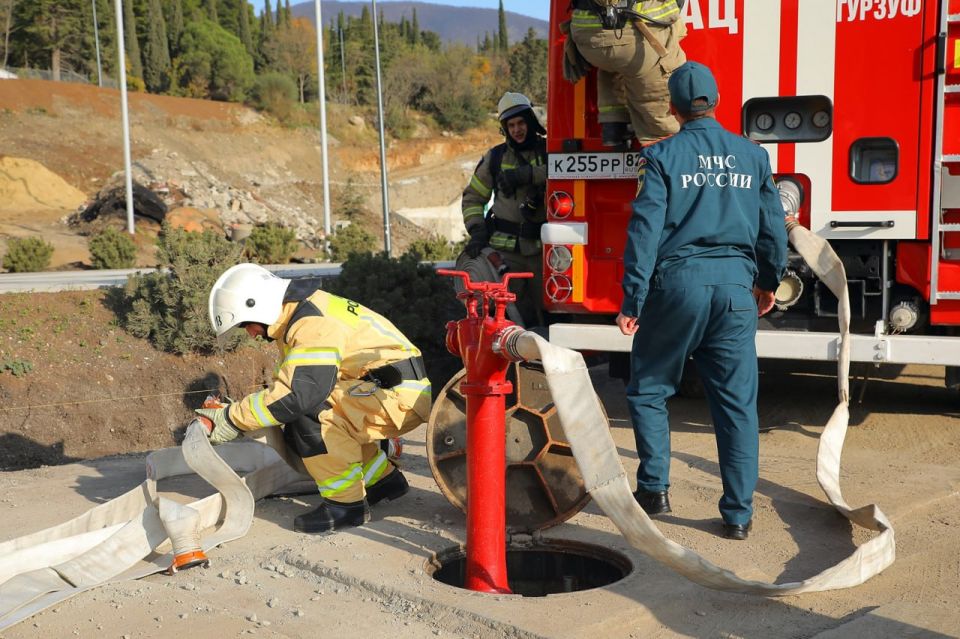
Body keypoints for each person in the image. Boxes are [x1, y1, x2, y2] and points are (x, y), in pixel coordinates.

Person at [615, 62, 788, 541]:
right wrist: (770, 280)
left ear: (671, 108)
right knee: (736, 407)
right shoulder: (752, 156)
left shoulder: (662, 157)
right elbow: (773, 227)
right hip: (736, 292)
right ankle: (737, 515)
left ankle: (654, 490)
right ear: (717, 101)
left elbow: (645, 230)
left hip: (676, 289)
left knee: (649, 388)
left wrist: (633, 299)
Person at [198, 263, 432, 533]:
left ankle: (346, 507)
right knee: (316, 416)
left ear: (258, 305)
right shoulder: (301, 314)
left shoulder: (311, 324)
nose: (250, 334)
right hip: (389, 389)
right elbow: (290, 384)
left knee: (311, 416)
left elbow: (299, 395)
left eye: (246, 325)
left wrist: (231, 418)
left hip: (396, 396)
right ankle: (382, 482)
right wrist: (242, 413)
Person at [460, 91, 547, 328]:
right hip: (507, 254)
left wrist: (529, 174)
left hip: (545, 254)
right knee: (509, 316)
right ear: (505, 128)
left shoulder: (550, 152)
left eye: (521, 123)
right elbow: (473, 198)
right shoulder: (495, 158)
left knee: (551, 315)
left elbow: (565, 173)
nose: (517, 130)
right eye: (511, 125)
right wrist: (477, 230)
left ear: (530, 122)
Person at [568, 0, 687, 146]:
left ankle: (613, 124)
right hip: (632, 40)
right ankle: (662, 137)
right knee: (658, 69)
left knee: (616, 63)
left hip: (588, 38)